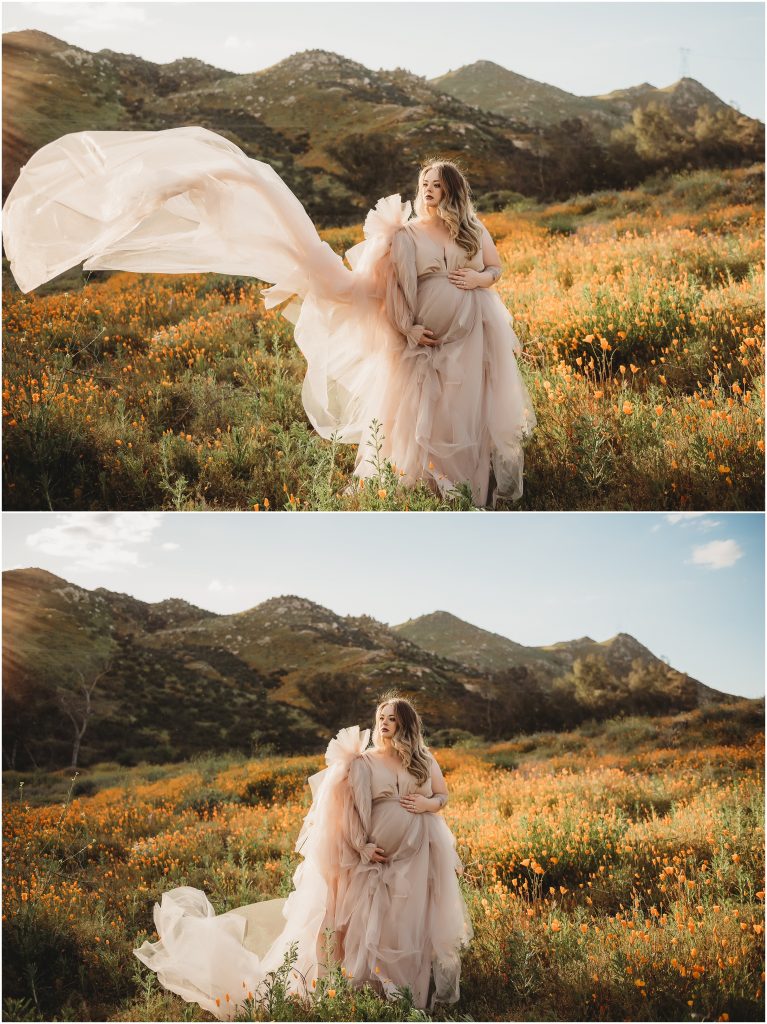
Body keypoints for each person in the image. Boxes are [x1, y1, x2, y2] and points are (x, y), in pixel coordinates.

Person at [1, 126, 535, 505]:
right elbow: (388, 291)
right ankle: (434, 490)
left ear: (454, 194)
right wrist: (407, 328)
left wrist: (479, 280)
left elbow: (496, 268)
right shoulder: (406, 234)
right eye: (423, 186)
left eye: (436, 188)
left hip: (473, 334)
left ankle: (474, 488)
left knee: (471, 411)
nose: (427, 193)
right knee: (428, 418)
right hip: (422, 338)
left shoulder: (472, 232)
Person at [132, 695, 474, 1020]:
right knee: (372, 927)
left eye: (391, 719)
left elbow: (442, 795)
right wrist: (362, 846)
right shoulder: (363, 761)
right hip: (375, 859)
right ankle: (370, 992)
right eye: (380, 718)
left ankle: (411, 994)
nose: (383, 724)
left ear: (406, 725)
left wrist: (427, 804)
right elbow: (346, 812)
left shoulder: (424, 760)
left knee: (409, 922)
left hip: (418, 857)